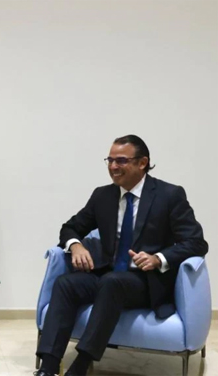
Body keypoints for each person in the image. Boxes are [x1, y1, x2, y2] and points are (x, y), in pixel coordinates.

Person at [35, 135, 208, 376]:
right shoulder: (102, 196)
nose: (113, 167)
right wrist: (76, 246)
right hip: (107, 273)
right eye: (110, 160)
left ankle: (81, 364)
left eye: (122, 160)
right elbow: (70, 227)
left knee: (112, 282)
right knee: (66, 283)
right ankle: (49, 366)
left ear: (142, 162)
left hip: (145, 282)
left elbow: (196, 242)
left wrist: (159, 258)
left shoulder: (169, 195)